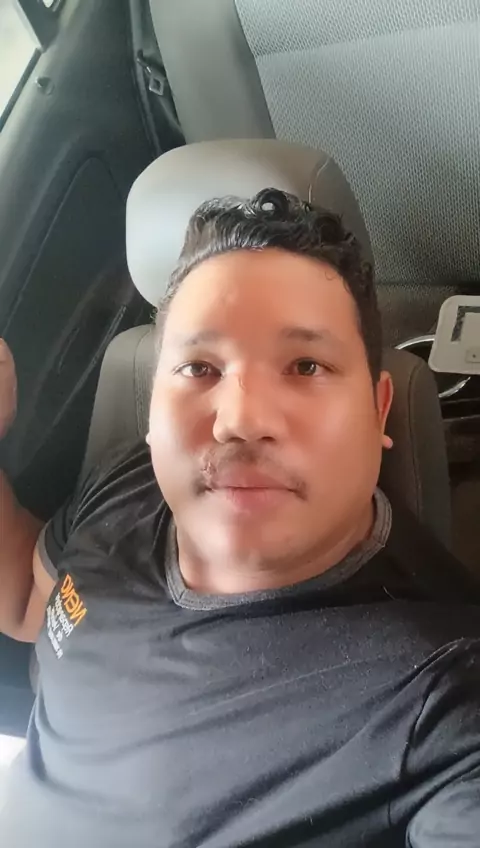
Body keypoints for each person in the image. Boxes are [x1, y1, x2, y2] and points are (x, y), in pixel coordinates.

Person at [1, 188, 480, 847]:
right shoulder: (128, 483)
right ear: (151, 410)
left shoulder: (444, 698)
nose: (241, 420)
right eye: (199, 367)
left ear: (378, 411)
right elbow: (29, 604)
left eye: (306, 366)